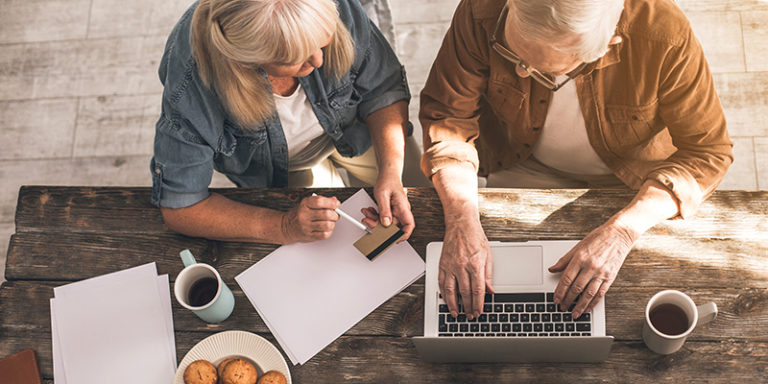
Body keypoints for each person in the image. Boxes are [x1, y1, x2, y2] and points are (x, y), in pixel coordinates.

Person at [420, 0, 733, 321]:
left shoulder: (664, 34)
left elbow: (708, 153)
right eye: (512, 52)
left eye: (540, 70)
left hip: (631, 181)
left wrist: (623, 232)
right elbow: (448, 117)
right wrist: (461, 219)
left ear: (606, 48)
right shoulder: (483, 10)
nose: (519, 71)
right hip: (516, 161)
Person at [151, 0, 425, 244]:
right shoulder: (191, 85)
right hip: (280, 167)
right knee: (329, 239)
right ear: (247, 59)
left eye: (323, 42)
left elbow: (382, 88)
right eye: (298, 59)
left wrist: (390, 171)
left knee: (422, 205)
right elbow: (181, 206)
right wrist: (283, 226)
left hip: (360, 129)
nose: (319, 61)